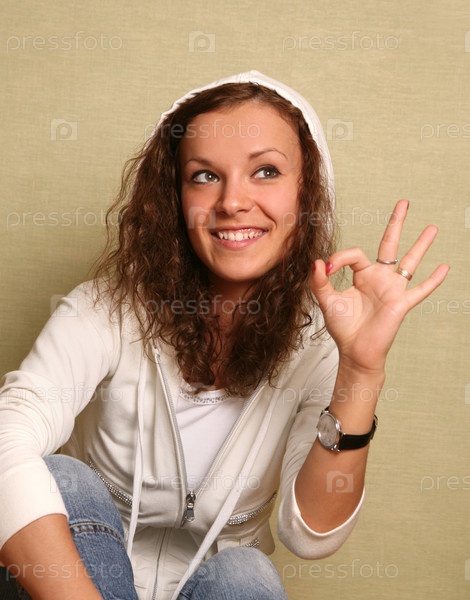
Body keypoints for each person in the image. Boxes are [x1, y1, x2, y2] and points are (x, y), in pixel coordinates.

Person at [0, 70, 449, 600]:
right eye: (205, 176)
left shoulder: (322, 341)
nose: (233, 201)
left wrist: (361, 369)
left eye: (265, 171)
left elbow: (310, 536)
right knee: (62, 480)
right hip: (84, 582)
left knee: (246, 573)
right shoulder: (104, 309)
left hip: (218, 588)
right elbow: (8, 438)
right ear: (174, 197)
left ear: (307, 192)